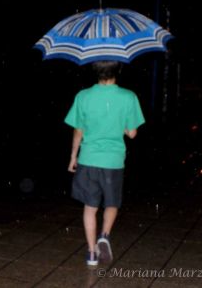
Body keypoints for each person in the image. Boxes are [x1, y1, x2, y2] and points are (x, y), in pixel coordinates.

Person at [64, 60, 145, 266]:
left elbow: (78, 130)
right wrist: (122, 126)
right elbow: (133, 133)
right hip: (114, 161)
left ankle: (91, 253)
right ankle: (104, 235)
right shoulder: (129, 97)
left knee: (90, 207)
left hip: (89, 159)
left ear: (95, 71)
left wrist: (74, 156)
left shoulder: (83, 96)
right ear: (118, 69)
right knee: (112, 202)